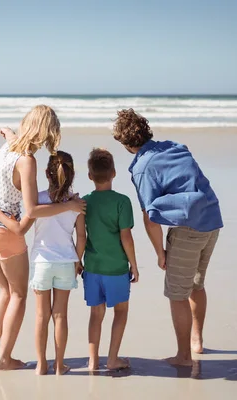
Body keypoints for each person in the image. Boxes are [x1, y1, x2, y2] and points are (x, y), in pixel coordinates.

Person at [0, 105, 86, 371]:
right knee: (19, 295)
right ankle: (5, 359)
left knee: (4, 291)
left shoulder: (8, 146)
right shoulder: (27, 160)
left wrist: (7, 130)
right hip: (2, 230)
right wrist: (69, 206)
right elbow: (32, 211)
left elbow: (10, 136)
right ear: (48, 132)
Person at [112, 108, 223, 367]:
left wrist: (160, 252)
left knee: (177, 293)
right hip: (211, 219)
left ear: (126, 143)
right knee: (196, 283)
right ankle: (197, 341)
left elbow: (150, 216)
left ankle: (184, 357)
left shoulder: (142, 168)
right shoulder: (174, 147)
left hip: (188, 229)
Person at [81, 148, 139, 371]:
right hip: (116, 268)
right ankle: (112, 359)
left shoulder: (85, 203)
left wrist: (79, 261)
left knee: (96, 314)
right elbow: (126, 236)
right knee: (121, 311)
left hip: (93, 267)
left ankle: (93, 361)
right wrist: (133, 264)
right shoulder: (122, 202)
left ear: (90, 176)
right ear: (114, 173)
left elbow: (81, 235)